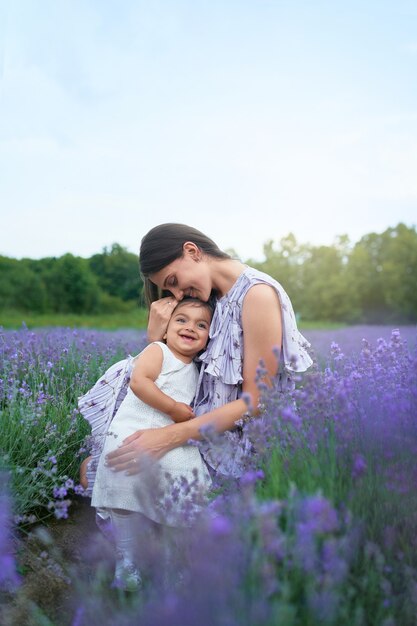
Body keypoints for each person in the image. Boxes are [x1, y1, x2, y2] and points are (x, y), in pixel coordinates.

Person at [105, 223, 313, 479]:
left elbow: (258, 401)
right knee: (102, 469)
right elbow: (173, 377)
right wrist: (155, 339)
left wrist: (166, 438)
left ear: (192, 251)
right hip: (196, 432)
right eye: (169, 290)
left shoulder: (256, 295)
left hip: (238, 446)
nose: (177, 294)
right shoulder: (209, 301)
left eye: (173, 281)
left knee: (117, 476)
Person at [85, 297, 213, 589]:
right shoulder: (158, 350)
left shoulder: (198, 370)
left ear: (207, 339)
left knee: (187, 482)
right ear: (165, 330)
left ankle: (172, 559)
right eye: (181, 320)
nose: (190, 327)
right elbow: (139, 382)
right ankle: (126, 560)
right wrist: (172, 408)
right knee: (123, 478)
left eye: (201, 325)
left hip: (170, 441)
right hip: (134, 431)